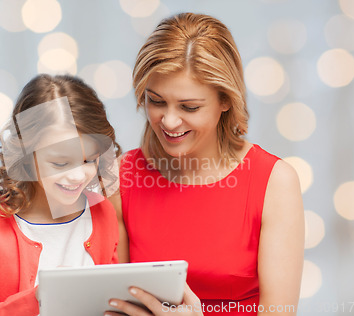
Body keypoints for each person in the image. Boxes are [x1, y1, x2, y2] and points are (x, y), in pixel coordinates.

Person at [105, 13, 304, 316]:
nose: (169, 121)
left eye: (189, 107)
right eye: (156, 101)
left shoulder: (274, 183)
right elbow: (110, 301)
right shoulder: (122, 177)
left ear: (226, 101)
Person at [0, 74, 121, 316]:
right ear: (27, 155)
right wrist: (39, 298)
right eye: (61, 163)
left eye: (89, 160)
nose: (77, 177)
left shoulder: (101, 212)